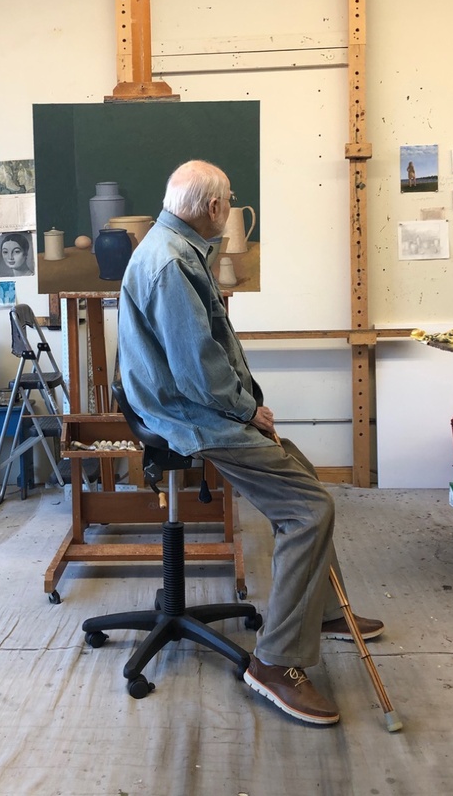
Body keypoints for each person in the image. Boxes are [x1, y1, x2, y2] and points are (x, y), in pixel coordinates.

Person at [117, 159, 384, 728]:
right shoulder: (169, 263)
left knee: (304, 478)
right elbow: (196, 371)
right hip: (187, 415)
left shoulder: (174, 246)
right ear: (214, 208)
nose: (230, 207)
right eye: (229, 201)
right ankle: (276, 662)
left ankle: (320, 613)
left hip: (188, 404)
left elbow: (202, 356)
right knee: (311, 508)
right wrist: (248, 410)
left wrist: (245, 404)